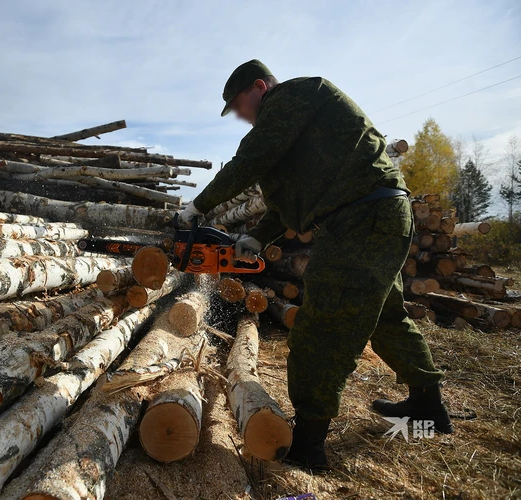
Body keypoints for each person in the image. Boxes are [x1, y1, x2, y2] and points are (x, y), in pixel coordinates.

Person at [179, 59, 453, 472]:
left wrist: (197, 207)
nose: (239, 116)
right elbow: (289, 194)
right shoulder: (302, 120)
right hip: (381, 214)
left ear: (260, 86)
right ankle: (428, 404)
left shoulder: (291, 97)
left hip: (359, 221)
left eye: (238, 105)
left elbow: (250, 161)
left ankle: (308, 443)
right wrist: (257, 237)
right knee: (386, 314)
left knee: (319, 329)